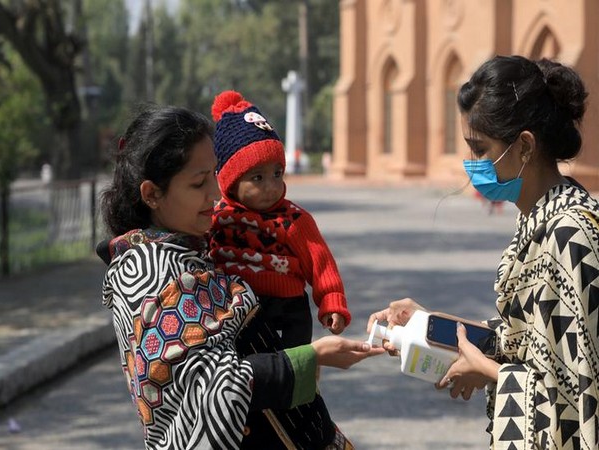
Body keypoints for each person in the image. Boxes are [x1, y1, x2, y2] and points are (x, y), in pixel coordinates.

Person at [97, 104, 383, 449]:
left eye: (214, 176)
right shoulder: (153, 275)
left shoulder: (195, 247)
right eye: (199, 183)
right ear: (152, 194)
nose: (216, 195)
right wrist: (312, 357)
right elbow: (209, 389)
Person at [368, 55, 599, 450]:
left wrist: (490, 372)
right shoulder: (537, 219)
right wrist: (433, 327)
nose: (473, 164)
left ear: (525, 146)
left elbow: (581, 397)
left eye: (481, 149)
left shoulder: (570, 233)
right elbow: (532, 341)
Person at [209, 90, 351, 348]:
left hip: (288, 312)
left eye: (277, 173)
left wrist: (332, 302)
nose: (272, 186)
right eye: (258, 178)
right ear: (229, 183)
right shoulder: (219, 219)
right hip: (236, 310)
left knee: (295, 373)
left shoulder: (293, 219)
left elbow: (320, 264)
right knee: (251, 377)